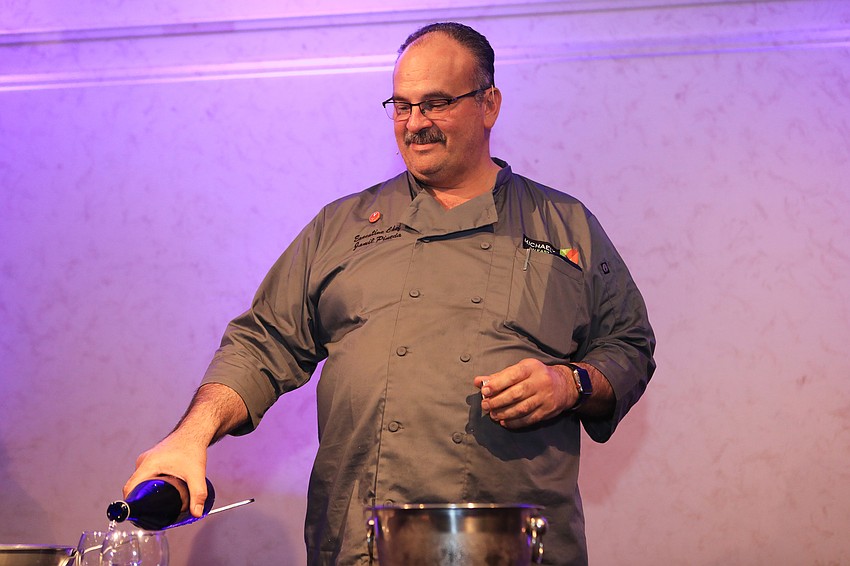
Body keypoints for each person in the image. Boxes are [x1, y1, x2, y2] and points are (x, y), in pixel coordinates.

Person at [124, 22, 655, 565]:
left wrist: (571, 382)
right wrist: (191, 436)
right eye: (401, 106)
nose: (416, 124)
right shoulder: (341, 227)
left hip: (513, 548)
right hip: (361, 546)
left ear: (489, 104)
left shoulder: (565, 227)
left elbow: (629, 344)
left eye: (436, 103)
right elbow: (261, 344)